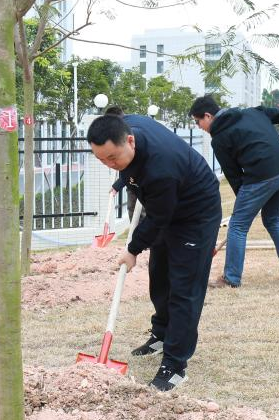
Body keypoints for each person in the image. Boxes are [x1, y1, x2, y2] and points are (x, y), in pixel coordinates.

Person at [86, 113, 221, 392]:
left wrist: (132, 249)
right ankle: (161, 334)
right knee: (159, 276)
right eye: (102, 160)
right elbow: (132, 173)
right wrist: (123, 178)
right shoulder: (129, 126)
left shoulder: (161, 168)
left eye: (113, 158)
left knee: (184, 289)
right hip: (168, 203)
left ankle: (175, 364)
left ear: (130, 141)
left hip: (195, 214)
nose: (110, 165)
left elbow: (158, 218)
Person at [189, 95, 279, 288]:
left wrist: (246, 204)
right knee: (273, 219)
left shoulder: (219, 138)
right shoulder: (253, 112)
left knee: (238, 225)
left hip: (263, 176)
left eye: (198, 122)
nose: (198, 127)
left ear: (208, 116)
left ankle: (231, 278)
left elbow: (234, 175)